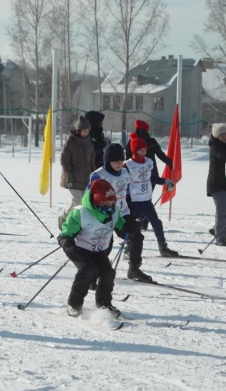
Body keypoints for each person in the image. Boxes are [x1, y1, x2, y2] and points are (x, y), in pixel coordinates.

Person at [58, 179, 125, 318]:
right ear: (97, 201)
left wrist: (128, 228)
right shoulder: (81, 213)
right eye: (107, 203)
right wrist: (69, 245)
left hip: (99, 250)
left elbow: (120, 226)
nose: (110, 206)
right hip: (81, 249)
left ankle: (104, 304)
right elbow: (65, 234)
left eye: (113, 203)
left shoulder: (114, 212)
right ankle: (74, 305)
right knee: (87, 270)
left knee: (107, 273)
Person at [87, 143, 150, 283]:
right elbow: (88, 199)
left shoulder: (125, 173)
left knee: (137, 237)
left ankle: (134, 269)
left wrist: (132, 215)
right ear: (108, 160)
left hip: (122, 213)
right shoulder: (98, 175)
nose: (119, 163)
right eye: (115, 160)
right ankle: (94, 274)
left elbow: (127, 195)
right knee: (105, 245)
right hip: (104, 214)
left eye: (121, 160)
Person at [125, 133, 178, 261]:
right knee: (134, 226)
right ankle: (128, 249)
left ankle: (163, 247)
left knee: (156, 222)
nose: (144, 152)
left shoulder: (149, 162)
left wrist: (165, 181)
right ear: (134, 151)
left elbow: (153, 178)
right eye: (141, 150)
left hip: (146, 200)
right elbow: (123, 182)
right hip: (134, 201)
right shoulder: (128, 165)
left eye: (145, 150)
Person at [60, 115, 96, 211]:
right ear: (78, 131)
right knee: (78, 201)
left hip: (86, 179)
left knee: (85, 203)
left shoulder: (89, 143)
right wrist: (68, 175)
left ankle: (78, 223)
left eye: (88, 131)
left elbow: (92, 160)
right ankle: (65, 219)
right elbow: (64, 160)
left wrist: (94, 173)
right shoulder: (70, 142)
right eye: (84, 131)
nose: (86, 133)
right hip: (73, 179)